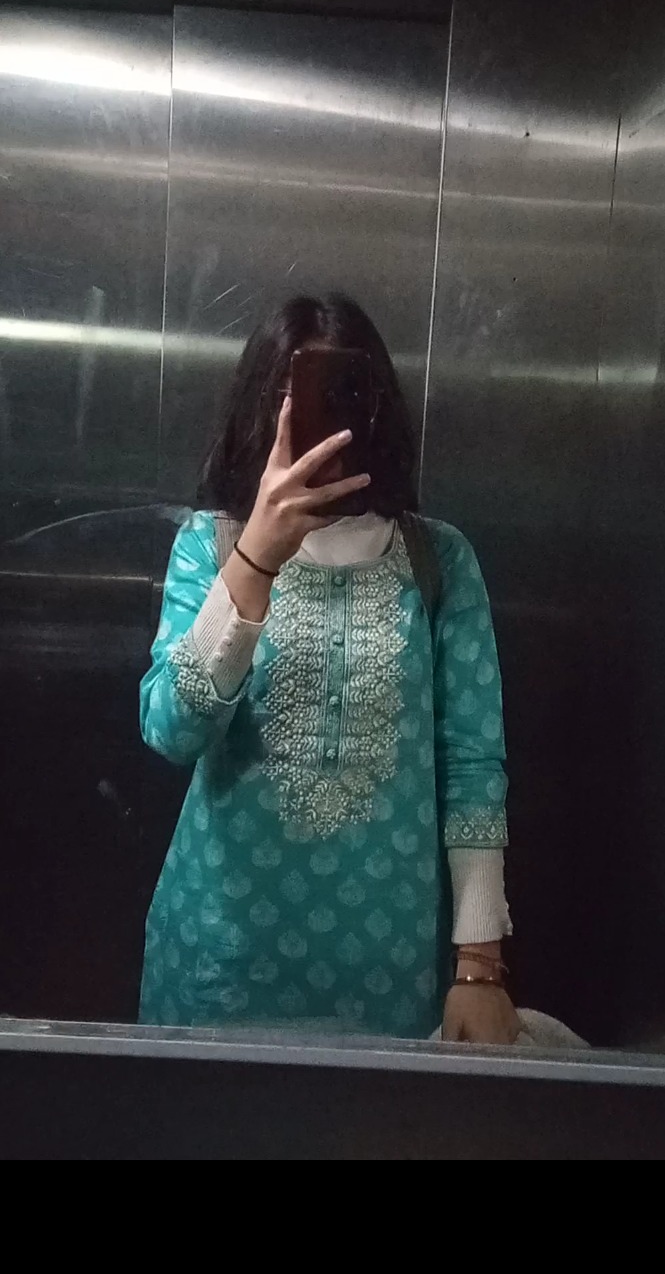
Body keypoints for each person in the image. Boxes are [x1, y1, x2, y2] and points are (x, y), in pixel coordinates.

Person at [138, 294, 519, 1044]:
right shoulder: (210, 547)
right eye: (293, 398)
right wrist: (255, 558)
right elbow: (171, 732)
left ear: (376, 408)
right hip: (220, 962)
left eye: (342, 394)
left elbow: (473, 765)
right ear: (261, 408)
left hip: (389, 968)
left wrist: (479, 969)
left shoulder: (438, 560)